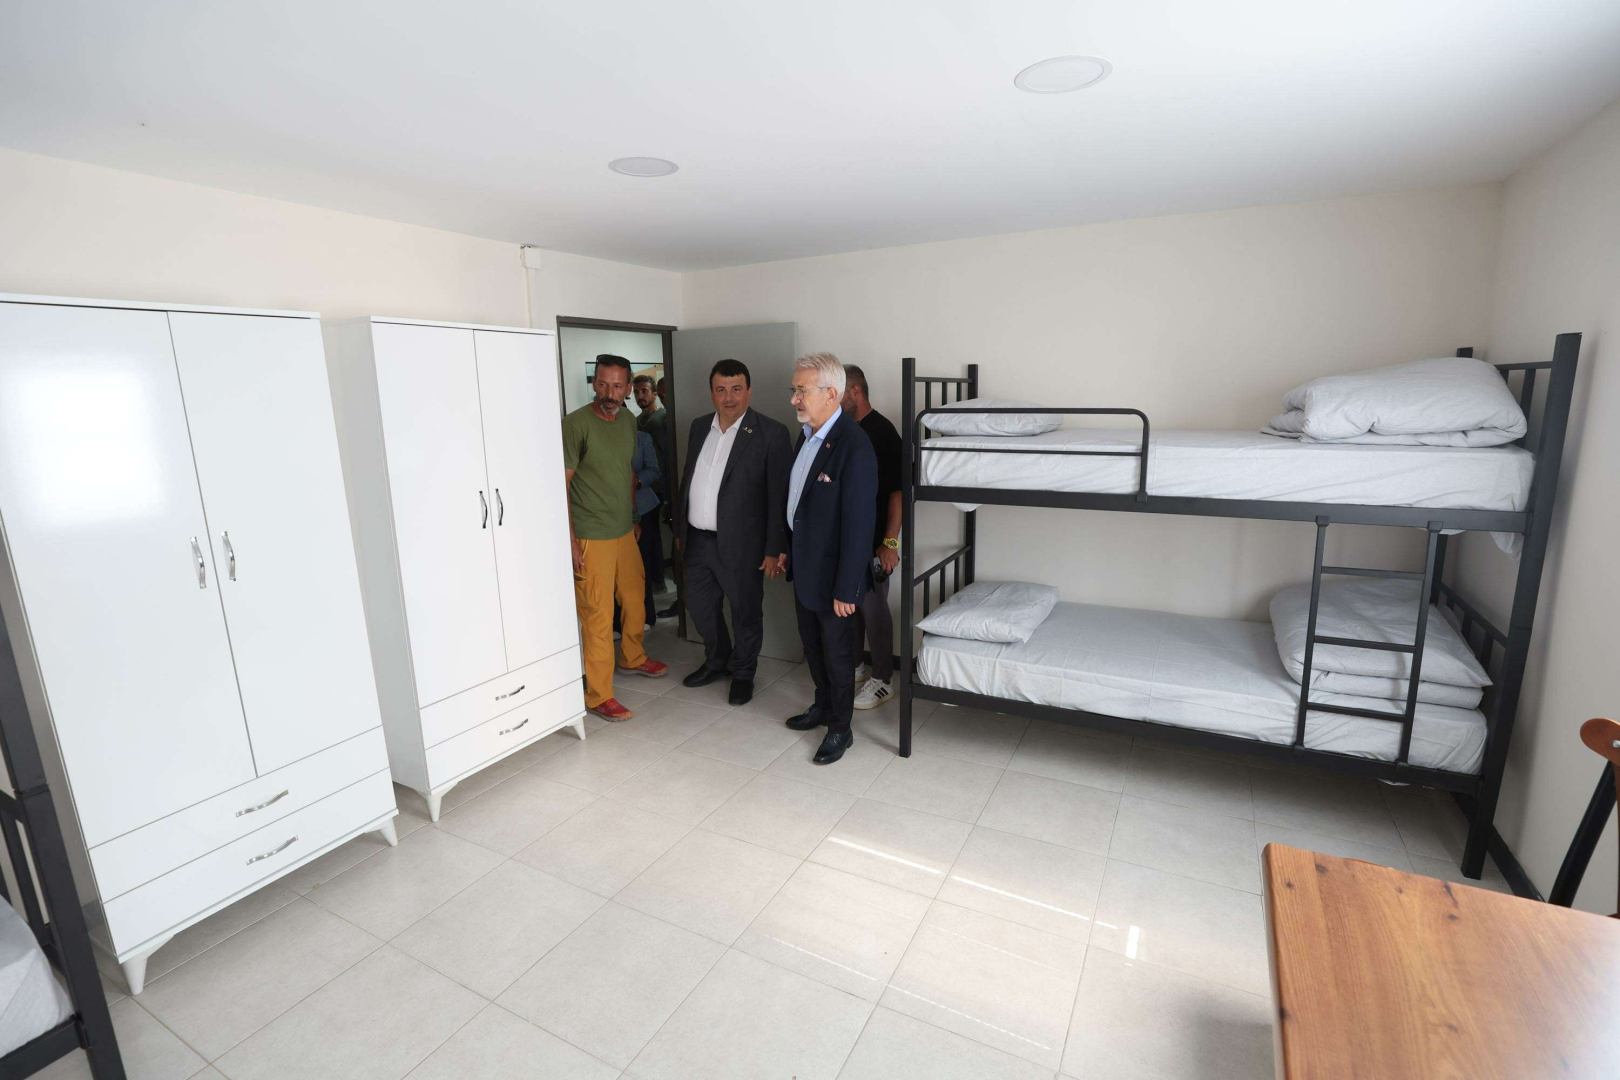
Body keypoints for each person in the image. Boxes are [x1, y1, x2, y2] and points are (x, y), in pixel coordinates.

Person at [676, 359, 793, 705]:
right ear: (712, 393)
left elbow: (779, 497)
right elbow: (688, 479)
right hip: (697, 540)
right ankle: (717, 660)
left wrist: (774, 548)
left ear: (749, 391)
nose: (729, 398)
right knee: (699, 606)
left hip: (744, 546)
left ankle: (743, 672)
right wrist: (680, 529)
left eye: (736, 389)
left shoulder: (771, 433)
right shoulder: (699, 427)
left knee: (745, 613)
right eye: (721, 390)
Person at [781, 352, 877, 764]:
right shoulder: (806, 435)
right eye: (794, 390)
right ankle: (822, 706)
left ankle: (841, 729)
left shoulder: (854, 446)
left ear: (831, 394)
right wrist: (785, 549)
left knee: (838, 657)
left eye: (801, 391)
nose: (794, 399)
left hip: (834, 576)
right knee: (814, 648)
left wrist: (847, 588)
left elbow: (859, 524)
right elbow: (798, 502)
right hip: (805, 567)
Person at [563, 354, 669, 720]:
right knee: (598, 614)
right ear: (595, 383)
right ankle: (598, 694)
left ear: (628, 388)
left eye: (618, 386)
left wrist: (634, 516)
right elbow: (561, 484)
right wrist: (570, 540)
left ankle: (632, 656)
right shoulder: (575, 424)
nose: (610, 393)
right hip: (591, 534)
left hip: (624, 529)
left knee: (635, 597)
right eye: (603, 384)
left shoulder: (627, 421)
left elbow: (627, 472)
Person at [841, 364, 902, 709]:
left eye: (838, 392)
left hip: (876, 543)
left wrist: (890, 543)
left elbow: (897, 493)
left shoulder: (882, 432)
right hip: (850, 541)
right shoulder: (847, 430)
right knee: (851, 609)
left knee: (875, 610)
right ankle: (855, 667)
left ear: (855, 392)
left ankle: (883, 680)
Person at [631, 427, 662, 628]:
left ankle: (645, 616)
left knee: (642, 564)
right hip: (611, 510)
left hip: (643, 508)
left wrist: (637, 481)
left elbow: (653, 470)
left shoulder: (642, 438)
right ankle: (617, 622)